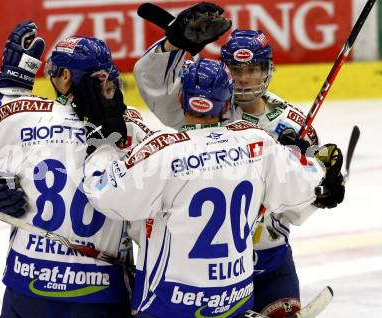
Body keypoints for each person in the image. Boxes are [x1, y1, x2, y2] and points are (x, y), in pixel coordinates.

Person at [82, 58, 345, 318]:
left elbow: (102, 193)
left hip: (170, 303)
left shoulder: (162, 151)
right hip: (233, 300)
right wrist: (320, 168)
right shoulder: (258, 143)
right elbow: (308, 183)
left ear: (180, 99)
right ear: (228, 103)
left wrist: (102, 147)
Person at [134, 8, 326, 314]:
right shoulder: (206, 107)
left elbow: (304, 199)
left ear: (267, 70)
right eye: (236, 69)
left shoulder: (291, 123)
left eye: (253, 70)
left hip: (270, 256)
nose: (244, 79)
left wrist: (323, 185)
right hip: (211, 268)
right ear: (225, 69)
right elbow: (154, 86)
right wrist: (175, 43)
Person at [0, 21, 152, 318]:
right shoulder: (132, 126)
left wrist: (12, 81)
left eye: (55, 72)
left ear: (65, 76)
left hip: (27, 280)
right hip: (100, 290)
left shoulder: (27, 117)